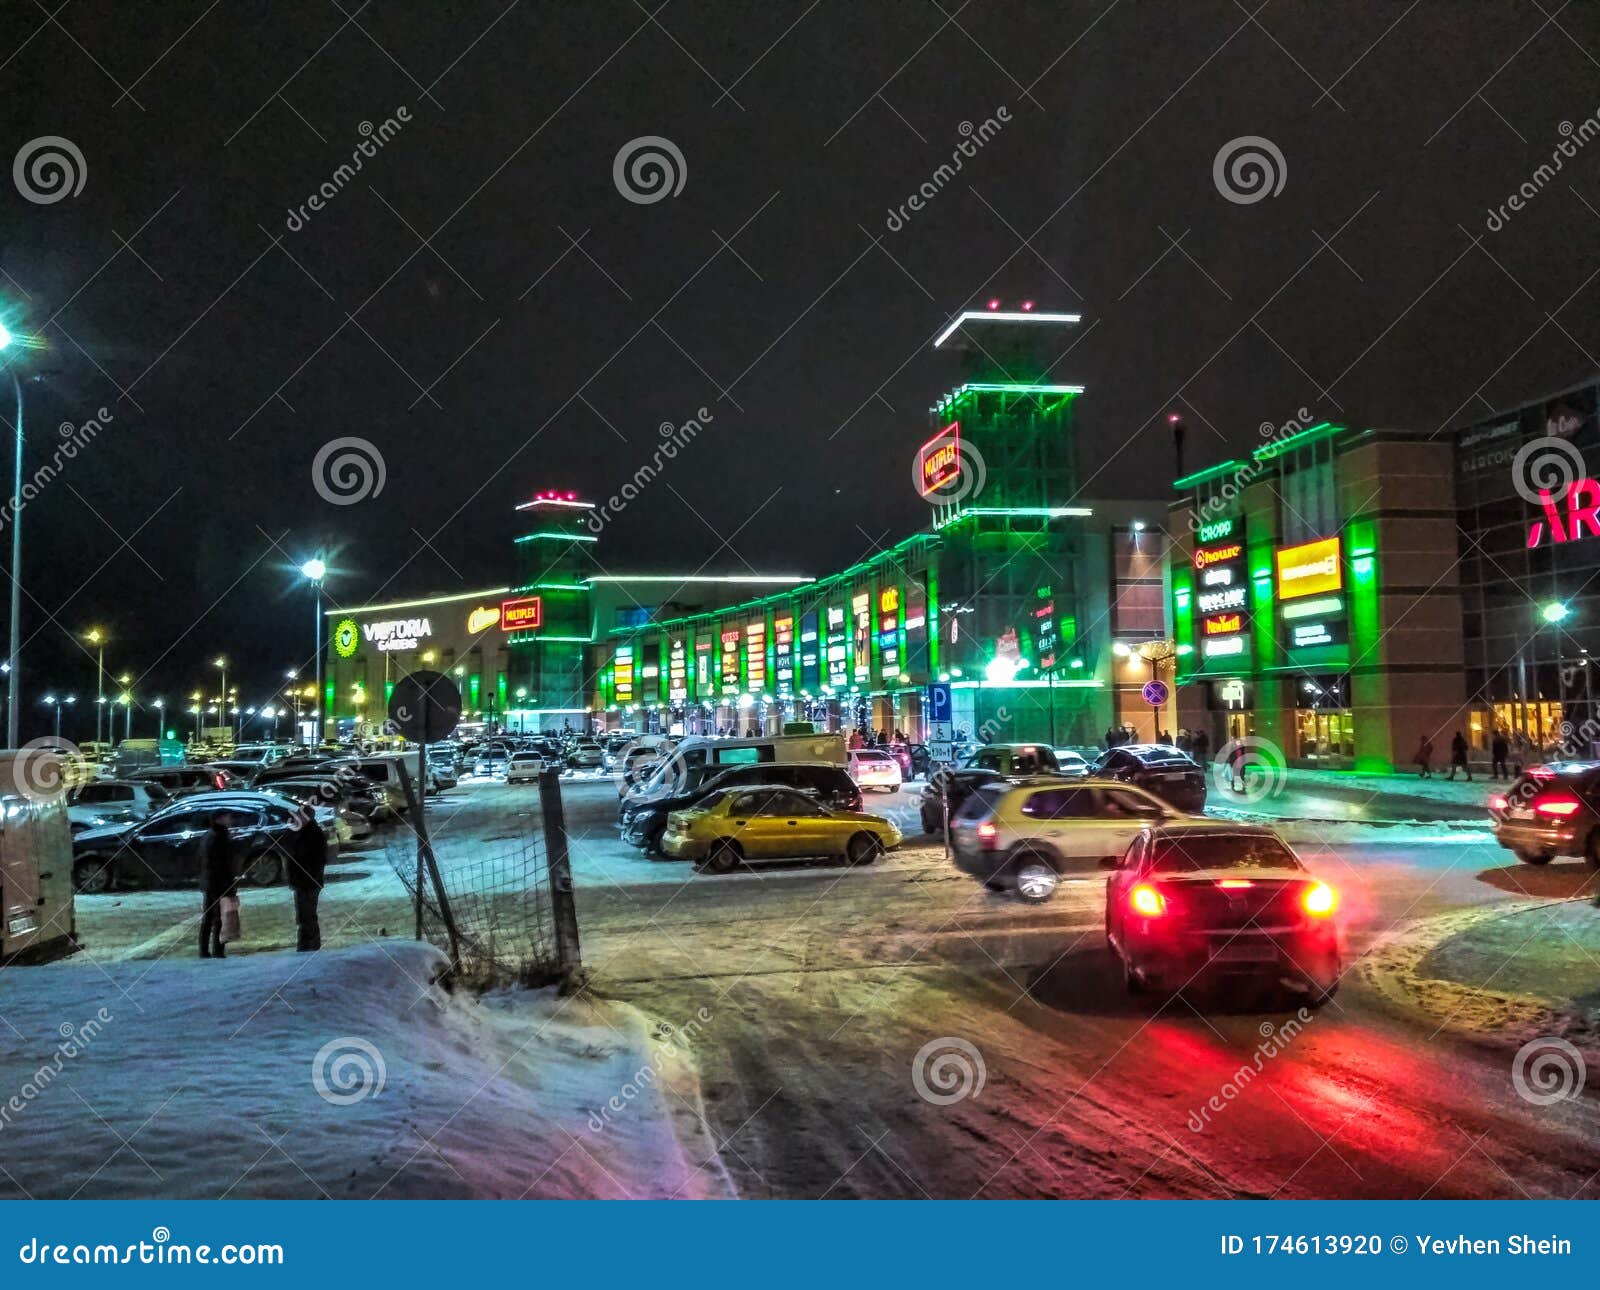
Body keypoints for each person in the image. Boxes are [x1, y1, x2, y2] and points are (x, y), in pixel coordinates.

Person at [288, 805, 327, 952]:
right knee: (303, 916)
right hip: (301, 882)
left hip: (309, 882)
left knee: (308, 915)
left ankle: (310, 946)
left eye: (300, 816)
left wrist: (308, 877)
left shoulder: (313, 834)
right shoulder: (299, 832)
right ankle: (305, 945)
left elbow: (316, 860)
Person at [198, 816, 237, 958]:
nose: (230, 820)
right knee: (219, 918)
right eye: (227, 818)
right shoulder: (220, 838)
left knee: (208, 917)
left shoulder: (209, 835)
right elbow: (223, 864)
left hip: (210, 882)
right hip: (220, 883)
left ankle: (204, 950)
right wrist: (230, 885)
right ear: (219, 820)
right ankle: (218, 950)